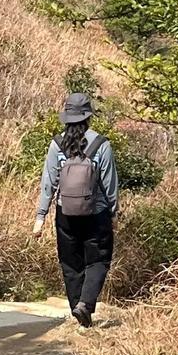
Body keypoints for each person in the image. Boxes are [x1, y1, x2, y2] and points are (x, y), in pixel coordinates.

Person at [33, 90, 118, 326]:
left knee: (71, 263)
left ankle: (79, 314)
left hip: (65, 213)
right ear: (89, 116)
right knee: (98, 260)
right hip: (96, 213)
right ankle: (86, 304)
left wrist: (40, 216)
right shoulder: (101, 144)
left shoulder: (56, 145)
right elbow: (110, 184)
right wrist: (113, 211)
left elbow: (48, 183)